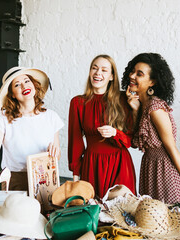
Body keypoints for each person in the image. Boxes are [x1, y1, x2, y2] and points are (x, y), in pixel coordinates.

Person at [122, 53, 180, 204]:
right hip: (149, 168)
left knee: (169, 220)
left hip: (164, 170)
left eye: (139, 74)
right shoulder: (141, 106)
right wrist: (135, 110)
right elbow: (135, 143)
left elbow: (171, 147)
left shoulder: (155, 108)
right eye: (132, 71)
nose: (132, 76)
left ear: (152, 82)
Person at [0, 67, 64, 191]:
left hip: (45, 178)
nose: (24, 86)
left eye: (27, 81)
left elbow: (56, 155)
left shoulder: (51, 116)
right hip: (15, 180)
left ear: (34, 85)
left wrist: (55, 152)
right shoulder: (3, 118)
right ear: (12, 94)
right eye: (17, 85)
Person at [68, 54, 136, 199]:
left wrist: (115, 133)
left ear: (111, 76)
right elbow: (75, 141)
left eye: (104, 70)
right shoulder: (78, 102)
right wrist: (75, 175)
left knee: (121, 214)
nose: (98, 73)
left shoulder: (123, 99)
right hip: (91, 164)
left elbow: (130, 140)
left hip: (119, 164)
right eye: (95, 68)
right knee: (94, 213)